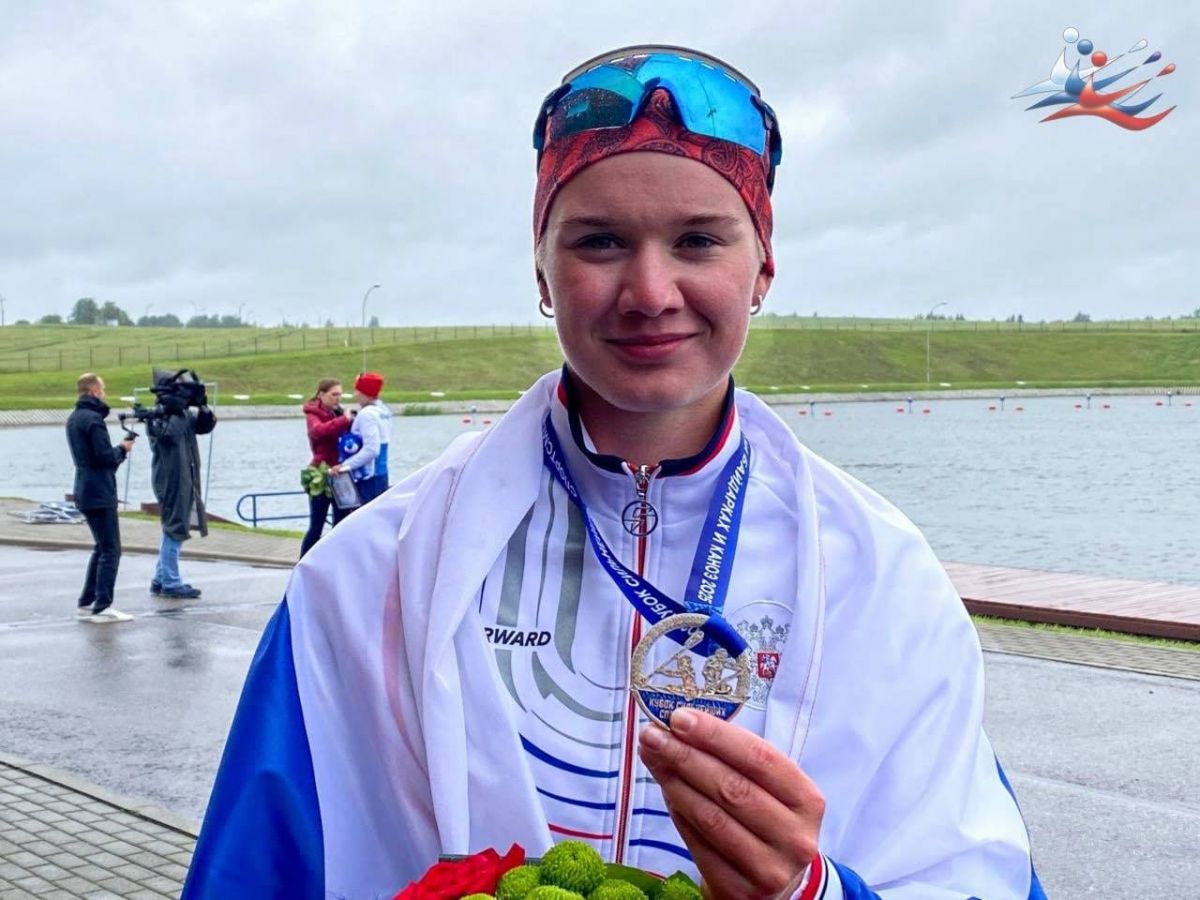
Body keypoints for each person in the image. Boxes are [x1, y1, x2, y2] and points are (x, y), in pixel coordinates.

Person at [184, 46, 1045, 899]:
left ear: (763, 268)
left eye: (699, 241)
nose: (650, 292)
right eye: (599, 242)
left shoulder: (881, 577)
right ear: (542, 269)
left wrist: (814, 892)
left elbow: (972, 876)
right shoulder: (367, 575)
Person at [65, 373, 136, 624]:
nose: (104, 393)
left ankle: (87, 602)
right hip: (100, 490)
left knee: (101, 547)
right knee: (111, 550)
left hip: (84, 488)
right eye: (102, 389)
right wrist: (123, 449)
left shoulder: (74, 418)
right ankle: (103, 606)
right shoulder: (94, 420)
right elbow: (105, 457)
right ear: (94, 391)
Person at [146, 368, 217, 600]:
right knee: (174, 528)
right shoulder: (158, 415)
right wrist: (176, 409)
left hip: (185, 477)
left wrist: (202, 406)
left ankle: (161, 577)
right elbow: (169, 436)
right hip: (170, 479)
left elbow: (204, 427)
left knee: (173, 527)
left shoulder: (182, 413)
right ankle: (171, 582)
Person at [299, 378, 355, 557]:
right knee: (316, 525)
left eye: (340, 394)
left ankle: (334, 562)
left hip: (339, 472)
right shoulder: (313, 414)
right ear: (321, 395)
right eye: (334, 394)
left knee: (341, 524)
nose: (338, 398)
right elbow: (318, 431)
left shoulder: (337, 412)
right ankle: (303, 562)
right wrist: (344, 420)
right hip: (321, 473)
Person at [329, 371, 392, 506]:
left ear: (366, 393)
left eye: (357, 390)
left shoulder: (366, 414)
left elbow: (371, 450)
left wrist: (344, 466)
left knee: (364, 517)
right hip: (382, 474)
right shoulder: (383, 411)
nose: (355, 394)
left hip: (368, 478)